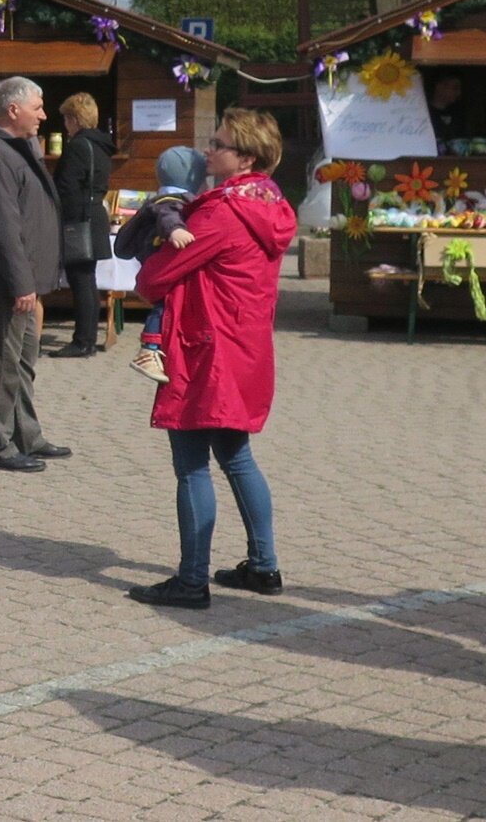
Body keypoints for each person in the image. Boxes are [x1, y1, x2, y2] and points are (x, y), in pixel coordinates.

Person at [126, 109, 295, 610]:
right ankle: (263, 565)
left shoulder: (222, 212)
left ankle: (191, 579)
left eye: (218, 144)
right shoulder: (270, 202)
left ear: (246, 157)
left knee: (191, 465)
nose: (207, 151)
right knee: (236, 457)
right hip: (244, 347)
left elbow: (154, 278)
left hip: (205, 348)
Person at [0, 76, 70, 473]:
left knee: (22, 362)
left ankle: (25, 434)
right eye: (37, 108)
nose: (43, 115)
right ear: (13, 110)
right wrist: (20, 282)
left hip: (21, 279)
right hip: (4, 281)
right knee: (2, 362)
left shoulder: (16, 148)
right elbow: (1, 225)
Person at [113, 147, 207, 384]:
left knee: (165, 305)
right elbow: (168, 217)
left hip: (150, 257)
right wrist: (176, 231)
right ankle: (149, 348)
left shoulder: (158, 199)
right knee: (163, 305)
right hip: (160, 258)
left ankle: (155, 347)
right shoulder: (172, 201)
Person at [51, 93, 115, 359]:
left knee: (81, 280)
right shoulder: (102, 145)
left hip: (79, 219)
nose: (65, 124)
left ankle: (82, 340)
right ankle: (87, 338)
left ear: (75, 119)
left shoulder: (78, 145)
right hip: (95, 214)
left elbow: (67, 186)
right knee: (88, 280)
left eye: (67, 118)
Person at [426, 74, 465, 143]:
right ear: (439, 87)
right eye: (455, 88)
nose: (458, 93)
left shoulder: (458, 113)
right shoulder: (424, 113)